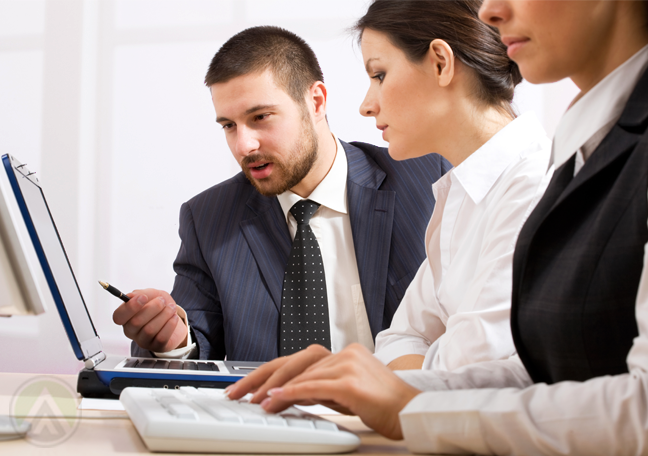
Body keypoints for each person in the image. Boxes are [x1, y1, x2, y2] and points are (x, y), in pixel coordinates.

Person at [228, 0, 648, 454]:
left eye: (379, 74)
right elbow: (523, 365)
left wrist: (401, 400)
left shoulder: (537, 177)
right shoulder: (482, 183)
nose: (491, 12)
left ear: (442, 63)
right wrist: (373, 384)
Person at [227, 0, 552, 404]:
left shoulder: (536, 186)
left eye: (379, 74)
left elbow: (463, 378)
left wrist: (408, 376)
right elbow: (400, 340)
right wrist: (421, 371)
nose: (366, 104)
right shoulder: (458, 193)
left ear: (439, 63)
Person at [112, 26, 451, 362]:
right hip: (268, 413)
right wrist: (172, 338)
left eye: (260, 117)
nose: (243, 145)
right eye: (228, 125)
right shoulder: (208, 218)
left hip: (397, 410)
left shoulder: (425, 180)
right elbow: (196, 343)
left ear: (316, 101)